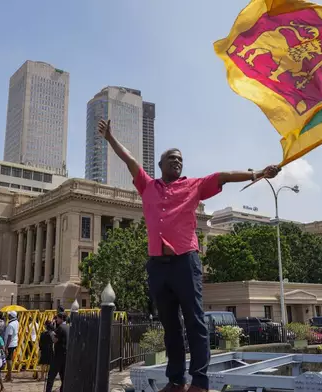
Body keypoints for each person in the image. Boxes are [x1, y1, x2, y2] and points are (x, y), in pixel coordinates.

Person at [98, 119, 280, 392]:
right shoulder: (147, 186)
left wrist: (258, 174)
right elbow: (130, 159)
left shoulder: (193, 185)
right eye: (171, 158)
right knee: (170, 325)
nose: (177, 161)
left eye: (180, 159)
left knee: (195, 322)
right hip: (157, 265)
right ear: (160, 165)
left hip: (186, 261)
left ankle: (200, 382)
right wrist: (110, 137)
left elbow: (224, 176)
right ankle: (175, 381)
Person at [45, 312, 69, 392]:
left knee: (51, 376)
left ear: (61, 318)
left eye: (57, 318)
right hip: (66, 355)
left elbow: (55, 340)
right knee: (64, 377)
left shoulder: (61, 328)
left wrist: (50, 331)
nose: (56, 319)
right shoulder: (68, 327)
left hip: (58, 356)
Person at [3, 310, 19, 382]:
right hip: (14, 342)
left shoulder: (10, 325)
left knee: (8, 360)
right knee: (10, 359)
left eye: (9, 315)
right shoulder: (16, 322)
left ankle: (9, 376)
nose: (8, 316)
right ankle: (8, 375)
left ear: (11, 316)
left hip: (10, 344)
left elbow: (9, 336)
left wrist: (6, 347)